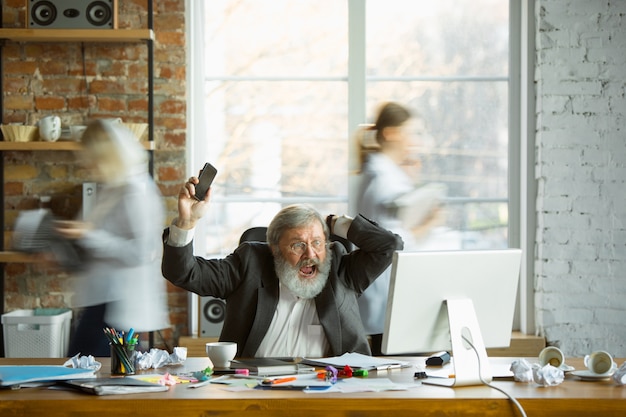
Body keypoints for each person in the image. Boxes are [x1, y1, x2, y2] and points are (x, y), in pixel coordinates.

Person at [161, 177, 403, 358]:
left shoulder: (339, 266)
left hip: (332, 391)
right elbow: (183, 272)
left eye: (317, 243)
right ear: (275, 248)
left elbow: (389, 246)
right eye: (298, 245)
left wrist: (335, 223)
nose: (311, 255)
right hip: (257, 393)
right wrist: (186, 222)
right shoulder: (250, 263)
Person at [58, 119, 170, 357]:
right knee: (88, 374)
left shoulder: (134, 191)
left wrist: (87, 234)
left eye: (92, 158)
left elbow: (143, 251)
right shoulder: (110, 188)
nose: (86, 164)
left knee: (87, 374)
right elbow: (98, 244)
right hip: (102, 299)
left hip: (118, 304)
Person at [355, 102, 444, 355]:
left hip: (388, 299)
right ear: (391, 133)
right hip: (385, 302)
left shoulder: (387, 175)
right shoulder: (383, 181)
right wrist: (429, 223)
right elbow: (394, 243)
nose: (417, 140)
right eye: (412, 132)